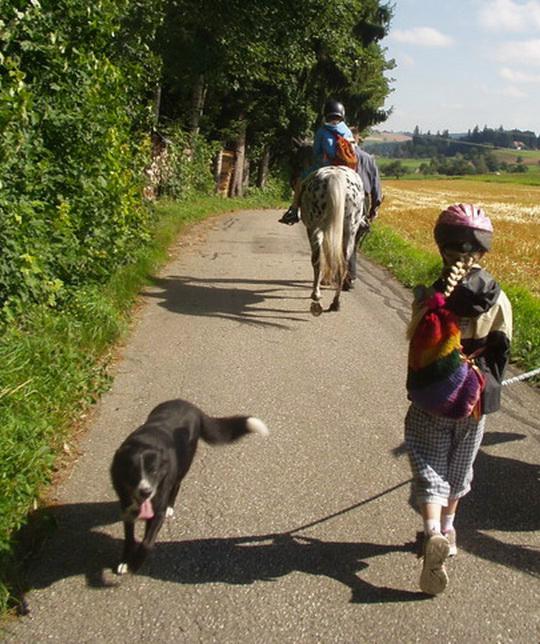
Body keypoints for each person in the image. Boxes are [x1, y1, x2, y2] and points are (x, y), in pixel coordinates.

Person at [404, 203, 512, 596]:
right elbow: (502, 352)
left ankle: (430, 530)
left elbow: (415, 350)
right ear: (484, 251)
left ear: (441, 247)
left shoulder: (429, 297)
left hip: (431, 401)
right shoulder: (500, 301)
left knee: (428, 466)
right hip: (474, 402)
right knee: (459, 470)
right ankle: (449, 532)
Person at [279, 98, 355, 225]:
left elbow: (316, 152)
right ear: (342, 115)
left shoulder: (322, 131)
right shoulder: (347, 131)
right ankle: (362, 215)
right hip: (346, 166)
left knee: (300, 181)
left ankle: (293, 211)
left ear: (326, 114)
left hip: (324, 165)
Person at [346, 126, 383, 287]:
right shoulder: (368, 158)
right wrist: (374, 208)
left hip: (344, 197)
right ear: (358, 138)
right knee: (353, 239)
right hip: (363, 200)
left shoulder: (339, 158)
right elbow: (376, 187)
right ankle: (350, 275)